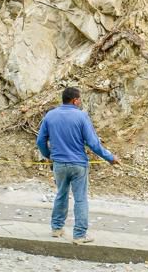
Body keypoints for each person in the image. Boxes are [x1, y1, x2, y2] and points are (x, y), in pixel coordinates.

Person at [36, 86, 118, 244]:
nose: (80, 102)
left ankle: (56, 228)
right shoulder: (81, 117)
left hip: (59, 164)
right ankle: (79, 235)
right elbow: (93, 143)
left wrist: (48, 155)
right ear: (75, 100)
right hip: (78, 164)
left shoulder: (50, 115)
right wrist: (110, 158)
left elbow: (40, 141)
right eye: (79, 99)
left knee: (61, 194)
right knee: (80, 199)